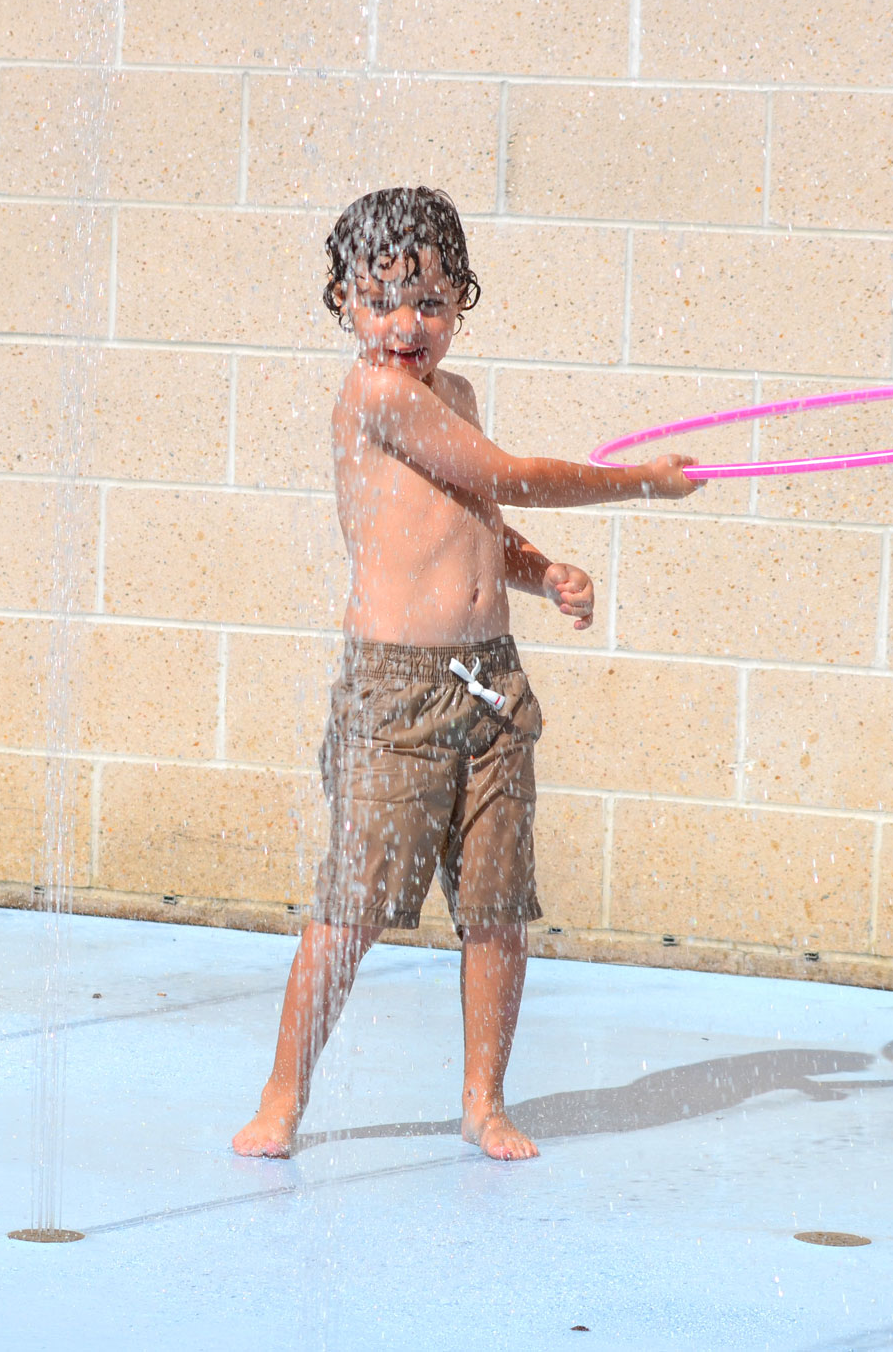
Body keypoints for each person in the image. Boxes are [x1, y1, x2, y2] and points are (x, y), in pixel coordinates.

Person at [231, 187, 704, 1162]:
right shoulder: (374, 397)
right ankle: (282, 1094)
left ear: (460, 300)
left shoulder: (456, 399)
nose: (407, 324)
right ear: (341, 304)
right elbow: (506, 474)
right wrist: (638, 484)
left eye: (432, 301)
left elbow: (478, 512)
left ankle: (482, 1100)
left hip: (490, 682)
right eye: (381, 301)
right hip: (396, 695)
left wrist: (537, 573)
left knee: (495, 912)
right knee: (353, 909)